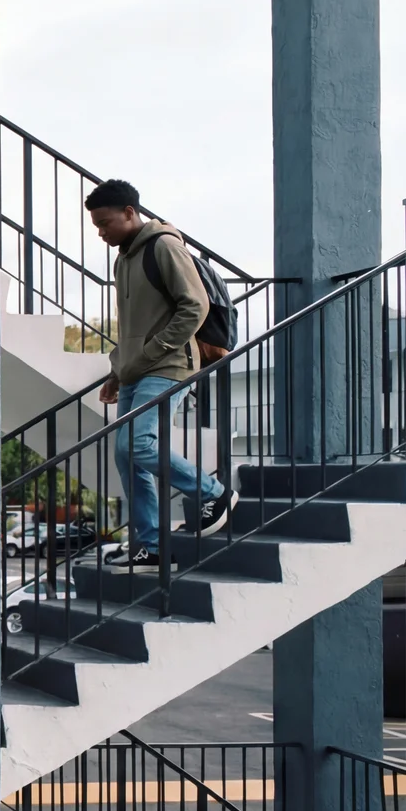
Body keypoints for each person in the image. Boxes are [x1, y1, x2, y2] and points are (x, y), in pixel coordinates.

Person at [85, 179, 236, 571]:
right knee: (126, 456)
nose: (101, 233)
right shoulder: (124, 259)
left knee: (138, 444)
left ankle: (213, 493)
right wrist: (118, 371)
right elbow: (131, 325)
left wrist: (154, 351)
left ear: (130, 213)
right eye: (97, 226)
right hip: (136, 372)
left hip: (169, 366)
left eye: (105, 223)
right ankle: (149, 546)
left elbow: (195, 306)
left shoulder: (164, 246)